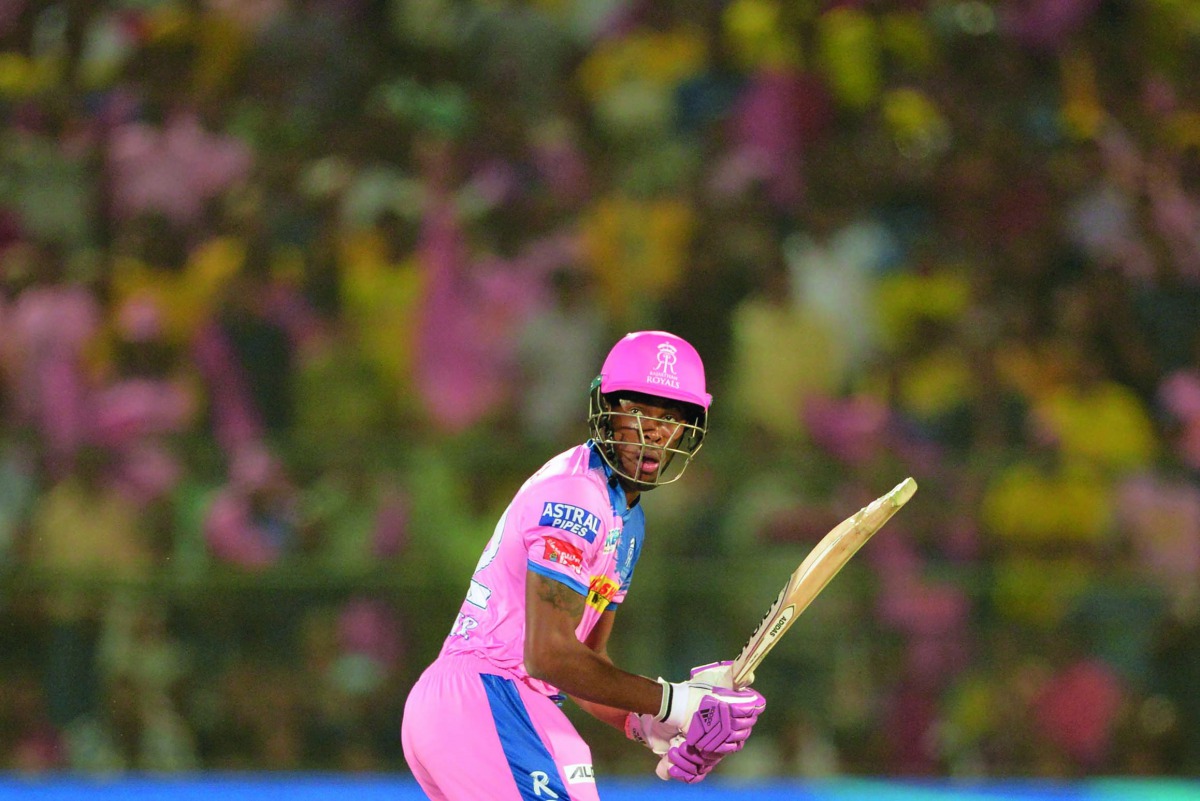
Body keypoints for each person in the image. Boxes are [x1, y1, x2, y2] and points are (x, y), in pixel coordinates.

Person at [401, 331, 767, 798]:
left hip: (488, 710)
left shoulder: (627, 521)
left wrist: (644, 720)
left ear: (688, 431)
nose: (652, 430)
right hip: (490, 699)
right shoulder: (577, 498)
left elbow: (583, 665)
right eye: (636, 410)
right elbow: (548, 655)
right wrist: (675, 703)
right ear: (606, 413)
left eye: (670, 417)